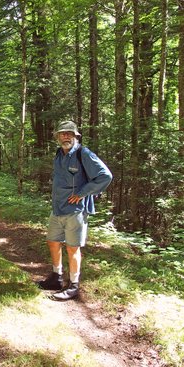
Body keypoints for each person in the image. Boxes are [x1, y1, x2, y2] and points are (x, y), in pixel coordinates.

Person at [37, 120, 112, 300]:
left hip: (76, 210)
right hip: (57, 208)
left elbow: (105, 176)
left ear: (76, 136)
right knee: (53, 242)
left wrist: (82, 193)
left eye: (69, 133)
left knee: (72, 247)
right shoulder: (59, 154)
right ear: (57, 137)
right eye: (62, 133)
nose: (66, 136)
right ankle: (56, 277)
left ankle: (74, 285)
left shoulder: (83, 154)